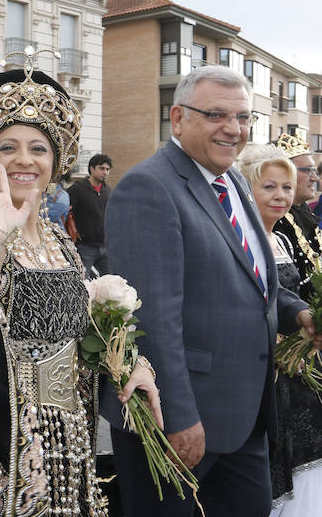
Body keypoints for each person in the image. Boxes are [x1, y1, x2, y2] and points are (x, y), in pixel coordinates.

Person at [0, 56, 160, 516]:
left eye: (38, 147)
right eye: (8, 147)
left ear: (56, 161)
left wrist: (129, 363)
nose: (25, 159)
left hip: (67, 441)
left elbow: (79, 333)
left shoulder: (59, 241)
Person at [104, 66, 321, 516]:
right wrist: (181, 420)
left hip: (245, 418)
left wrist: (299, 315)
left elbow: (253, 283)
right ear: (179, 118)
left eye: (243, 118)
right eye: (217, 115)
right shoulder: (149, 187)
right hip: (181, 422)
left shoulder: (234, 181)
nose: (234, 129)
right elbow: (153, 319)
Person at [234, 144, 322, 515]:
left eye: (286, 187)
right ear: (246, 189)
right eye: (269, 187)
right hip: (263, 370)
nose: (281, 196)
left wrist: (305, 320)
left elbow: (285, 293)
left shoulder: (282, 239)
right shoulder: (237, 238)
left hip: (297, 369)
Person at [272, 134, 322, 300]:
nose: (315, 178)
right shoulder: (274, 222)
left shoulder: (305, 214)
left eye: (314, 171)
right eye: (308, 170)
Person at [67, 153, 112, 277]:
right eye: (101, 168)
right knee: (82, 282)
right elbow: (65, 210)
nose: (105, 172)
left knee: (111, 282)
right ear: (92, 169)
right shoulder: (78, 189)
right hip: (85, 247)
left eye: (107, 169)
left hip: (105, 247)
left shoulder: (108, 190)